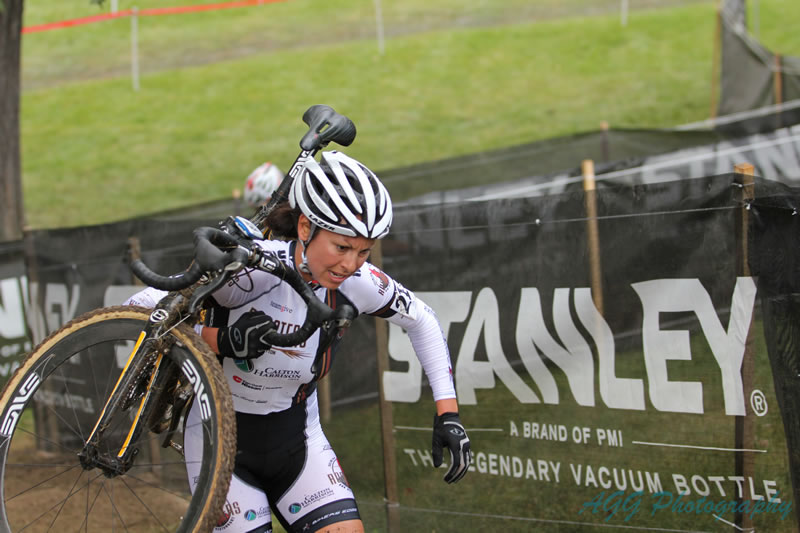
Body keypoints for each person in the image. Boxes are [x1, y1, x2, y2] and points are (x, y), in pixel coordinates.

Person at [125, 150, 471, 533]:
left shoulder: (358, 283)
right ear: (305, 228)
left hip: (298, 441)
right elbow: (141, 308)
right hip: (218, 440)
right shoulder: (254, 268)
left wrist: (448, 413)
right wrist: (219, 339)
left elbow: (422, 320)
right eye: (342, 247)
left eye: (364, 251)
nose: (351, 264)